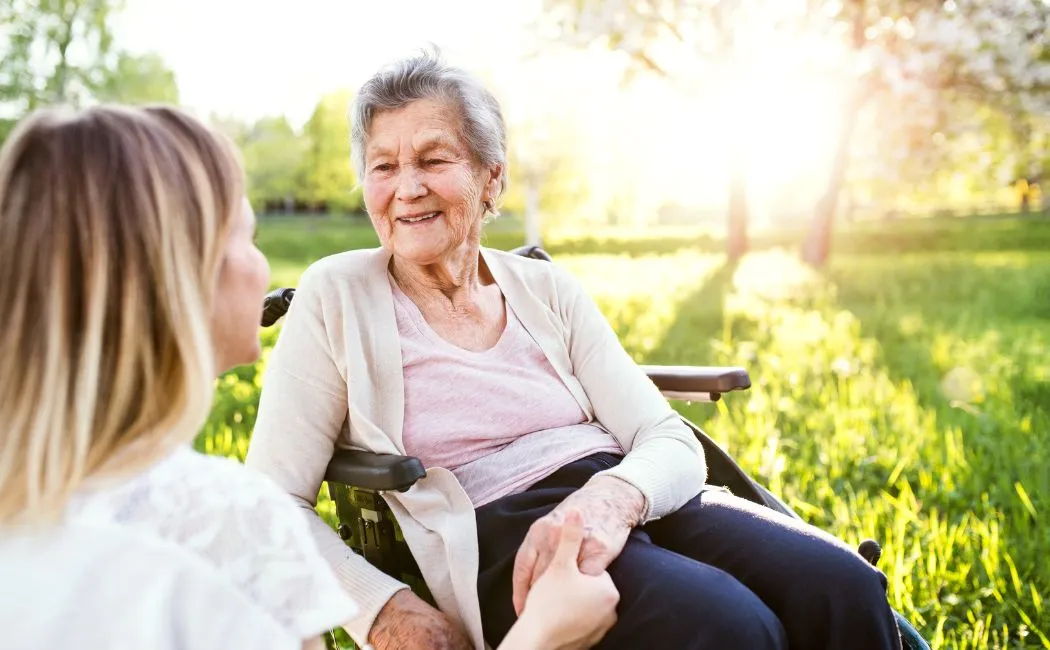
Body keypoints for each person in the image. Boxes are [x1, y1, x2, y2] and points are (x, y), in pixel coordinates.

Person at [245, 49, 905, 650]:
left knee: (842, 584)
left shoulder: (545, 287)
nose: (406, 187)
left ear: (491, 179)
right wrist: (380, 609)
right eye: (383, 167)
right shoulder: (338, 295)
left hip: (620, 490)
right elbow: (270, 504)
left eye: (433, 159)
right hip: (501, 536)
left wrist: (610, 501)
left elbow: (666, 439)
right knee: (729, 626)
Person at [0, 104, 617, 650]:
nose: (264, 265)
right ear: (179, 281)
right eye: (248, 235)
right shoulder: (228, 522)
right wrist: (544, 636)